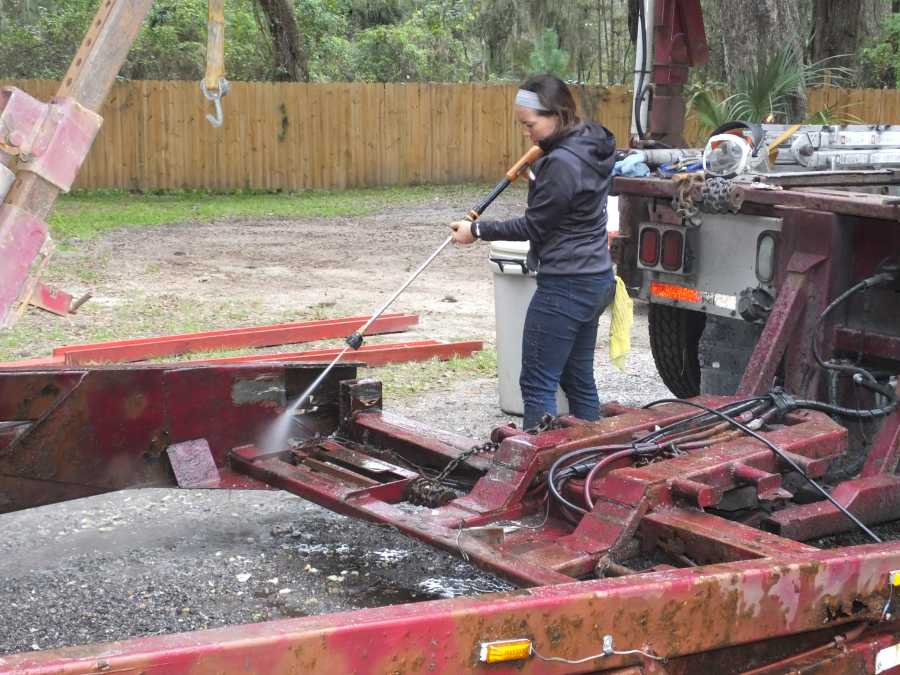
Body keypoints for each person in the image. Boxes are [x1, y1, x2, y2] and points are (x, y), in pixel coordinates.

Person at [450, 73, 616, 430]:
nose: (526, 133)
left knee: (538, 382)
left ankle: (539, 472)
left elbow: (535, 226)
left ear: (557, 114)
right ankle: (589, 459)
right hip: (596, 278)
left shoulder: (561, 163)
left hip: (567, 284)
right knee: (577, 379)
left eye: (530, 124)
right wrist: (543, 181)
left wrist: (476, 230)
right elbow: (569, 202)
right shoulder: (589, 143)